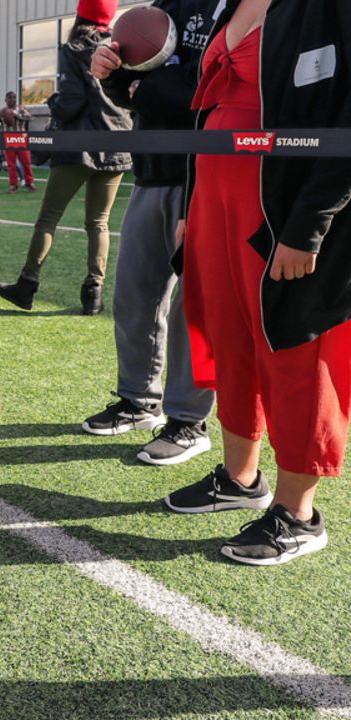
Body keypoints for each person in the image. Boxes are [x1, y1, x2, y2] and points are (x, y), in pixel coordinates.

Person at [160, 0, 351, 565]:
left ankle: (299, 514)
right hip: (218, 202)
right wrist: (193, 203)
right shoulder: (230, 3)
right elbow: (211, 109)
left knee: (294, 349)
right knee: (230, 339)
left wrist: (310, 224)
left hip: (287, 209)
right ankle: (240, 478)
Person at [82, 0, 218, 466]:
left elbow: (209, 89)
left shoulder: (232, 6)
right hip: (151, 171)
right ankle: (140, 401)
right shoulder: (161, 7)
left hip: (203, 174)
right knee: (134, 296)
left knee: (191, 307)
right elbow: (132, 91)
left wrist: (149, 85)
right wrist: (113, 72)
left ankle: (189, 421)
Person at [0, 0, 132, 316]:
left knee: (49, 218)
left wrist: (53, 102)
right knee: (99, 222)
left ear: (80, 14)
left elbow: (71, 100)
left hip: (79, 143)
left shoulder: (74, 46)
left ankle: (27, 284)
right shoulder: (122, 46)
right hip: (118, 140)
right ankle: (93, 294)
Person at [0, 91, 35, 191]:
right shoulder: (2, 111)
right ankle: (13, 184)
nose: (12, 99)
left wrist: (16, 114)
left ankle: (29, 182)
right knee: (11, 164)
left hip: (21, 138)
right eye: (10, 98)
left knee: (26, 162)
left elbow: (30, 117)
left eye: (14, 97)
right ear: (5, 100)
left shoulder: (21, 108)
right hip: (9, 139)